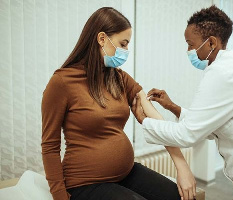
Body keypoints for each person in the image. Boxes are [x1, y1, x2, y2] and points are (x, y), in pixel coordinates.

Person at [131, 5, 233, 200]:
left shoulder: (222, 74)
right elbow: (210, 126)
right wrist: (173, 107)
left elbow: (188, 134)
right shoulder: (228, 70)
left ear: (211, 43)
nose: (188, 51)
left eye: (190, 44)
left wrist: (145, 120)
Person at [41, 7, 196, 200]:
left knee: (179, 197)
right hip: (86, 183)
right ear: (102, 39)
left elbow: (156, 119)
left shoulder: (119, 78)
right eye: (123, 44)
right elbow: (50, 146)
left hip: (126, 173)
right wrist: (59, 196)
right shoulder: (62, 82)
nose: (126, 51)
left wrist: (182, 167)